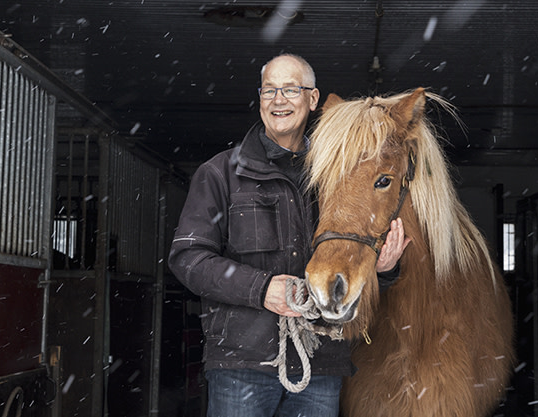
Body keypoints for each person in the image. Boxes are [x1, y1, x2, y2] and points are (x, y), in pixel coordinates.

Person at [168, 54, 409, 417]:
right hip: (242, 366)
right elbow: (188, 259)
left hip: (320, 361)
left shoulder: (337, 175)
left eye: (290, 90)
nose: (278, 100)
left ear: (313, 101)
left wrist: (384, 268)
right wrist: (262, 289)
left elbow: (346, 258)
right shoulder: (220, 173)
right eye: (269, 90)